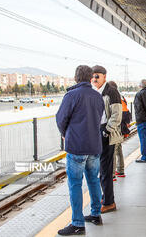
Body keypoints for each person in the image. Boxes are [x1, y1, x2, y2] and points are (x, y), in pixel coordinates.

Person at [56, 65, 104, 235]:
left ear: (76, 78)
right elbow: (99, 119)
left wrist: (64, 134)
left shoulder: (71, 95)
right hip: (95, 146)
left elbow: (61, 118)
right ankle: (96, 214)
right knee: (93, 180)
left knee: (75, 184)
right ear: (91, 78)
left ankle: (77, 223)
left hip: (77, 146)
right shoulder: (97, 96)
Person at [92, 66, 122, 213]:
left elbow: (117, 115)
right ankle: (105, 198)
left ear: (104, 76)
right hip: (98, 132)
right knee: (100, 169)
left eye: (97, 76)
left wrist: (106, 131)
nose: (94, 79)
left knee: (105, 169)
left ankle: (109, 202)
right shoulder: (96, 91)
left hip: (106, 135)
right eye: (92, 77)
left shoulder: (111, 92)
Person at [107, 81, 128, 179]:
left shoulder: (113, 98)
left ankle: (112, 174)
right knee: (119, 151)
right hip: (120, 129)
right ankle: (120, 170)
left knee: (113, 153)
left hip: (115, 130)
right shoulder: (121, 98)